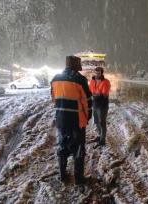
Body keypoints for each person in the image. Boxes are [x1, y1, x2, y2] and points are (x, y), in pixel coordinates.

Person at [51, 56, 92, 184]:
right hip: (77, 122)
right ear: (76, 67)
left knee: (62, 146)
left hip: (61, 121)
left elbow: (53, 98)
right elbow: (88, 101)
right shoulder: (80, 80)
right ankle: (79, 178)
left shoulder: (55, 79)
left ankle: (62, 175)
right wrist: (88, 116)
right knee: (78, 148)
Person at [89, 67, 111, 147]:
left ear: (101, 73)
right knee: (97, 121)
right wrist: (96, 94)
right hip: (95, 104)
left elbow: (104, 94)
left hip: (102, 105)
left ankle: (102, 140)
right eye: (96, 72)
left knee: (102, 122)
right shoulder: (91, 81)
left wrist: (95, 94)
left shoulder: (106, 82)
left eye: (99, 72)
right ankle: (99, 135)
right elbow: (90, 91)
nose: (97, 74)